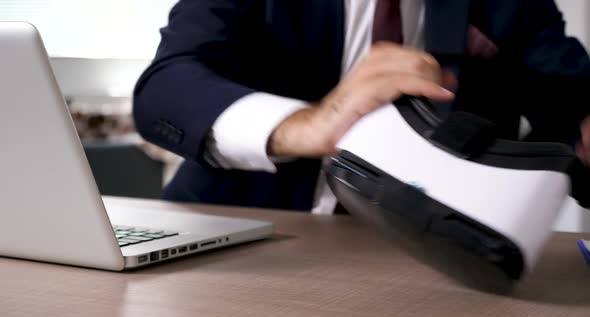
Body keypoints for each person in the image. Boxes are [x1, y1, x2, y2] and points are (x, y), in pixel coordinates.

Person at [133, 0, 590, 213]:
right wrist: (308, 123)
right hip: (240, 236)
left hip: (426, 264)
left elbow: (572, 111)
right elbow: (165, 89)